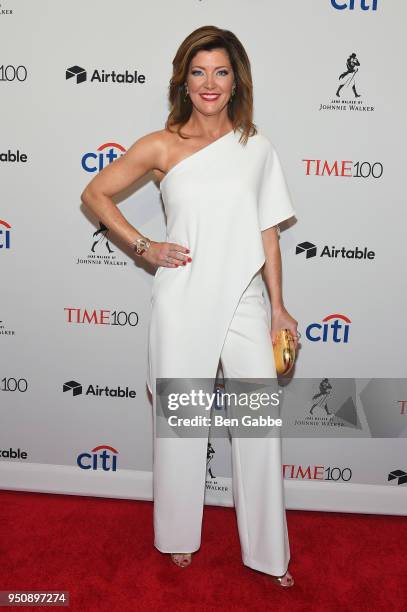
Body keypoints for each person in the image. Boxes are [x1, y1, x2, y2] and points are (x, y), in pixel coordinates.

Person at [81, 25, 299, 588]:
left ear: (235, 82)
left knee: (258, 428)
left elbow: (268, 234)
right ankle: (178, 536)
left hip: (246, 300)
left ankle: (270, 554)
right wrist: (145, 247)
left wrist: (279, 309)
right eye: (198, 71)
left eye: (221, 72)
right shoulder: (162, 144)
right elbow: (95, 194)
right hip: (182, 298)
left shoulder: (257, 147)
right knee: (182, 426)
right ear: (184, 79)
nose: (209, 82)